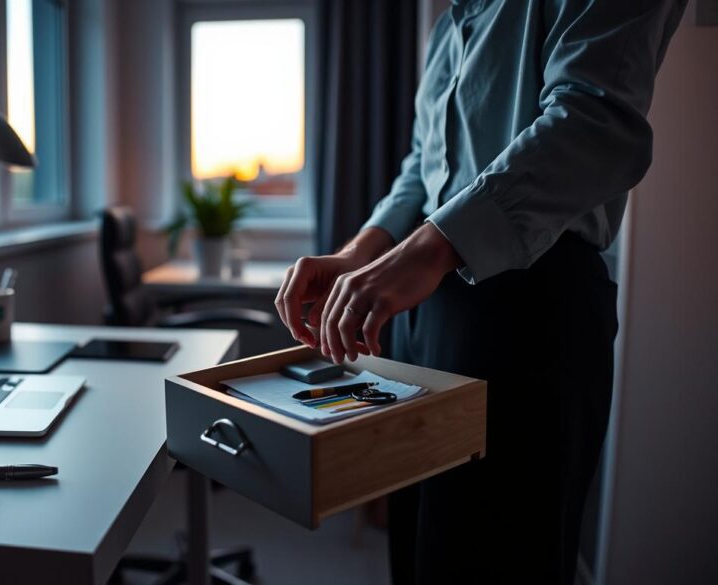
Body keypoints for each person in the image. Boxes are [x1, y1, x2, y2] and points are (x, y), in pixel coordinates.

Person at [274, 1, 687, 583]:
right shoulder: (451, 23)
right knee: (421, 550)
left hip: (531, 312)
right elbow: (423, 166)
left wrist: (426, 248)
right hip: (427, 315)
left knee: (495, 559)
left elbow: (593, 122)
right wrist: (357, 253)